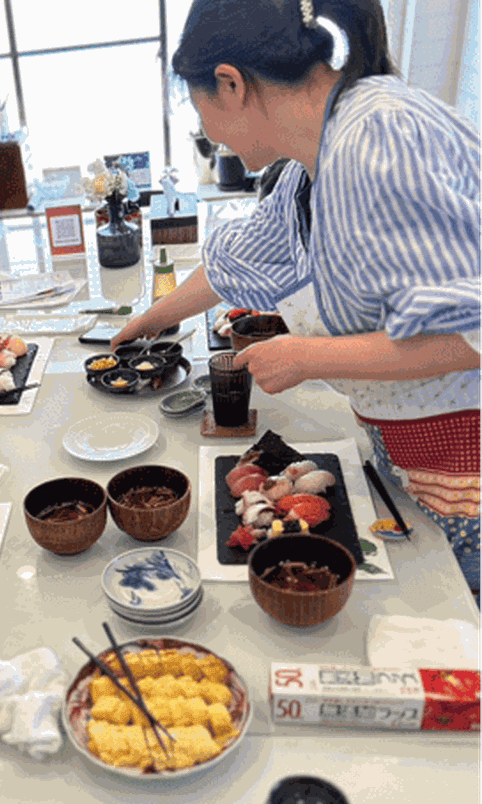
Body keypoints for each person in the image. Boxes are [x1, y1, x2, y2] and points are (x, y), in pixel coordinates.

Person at [112, 0, 480, 593]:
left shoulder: (378, 137)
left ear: (230, 85)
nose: (209, 134)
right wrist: (148, 321)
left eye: (199, 111)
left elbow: (469, 333)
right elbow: (242, 259)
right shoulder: (316, 160)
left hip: (467, 463)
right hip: (414, 452)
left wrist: (307, 357)